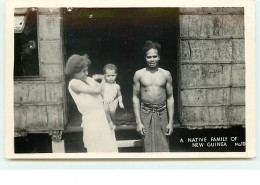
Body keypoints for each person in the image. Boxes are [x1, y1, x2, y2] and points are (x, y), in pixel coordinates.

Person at [65, 54, 118, 152]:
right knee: (97, 150)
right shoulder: (73, 83)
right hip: (92, 122)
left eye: (87, 70)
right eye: (83, 71)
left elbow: (104, 87)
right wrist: (103, 80)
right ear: (74, 72)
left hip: (103, 118)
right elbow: (98, 90)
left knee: (109, 149)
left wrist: (103, 79)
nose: (87, 73)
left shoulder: (88, 80)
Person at [132, 41, 174, 152]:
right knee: (147, 145)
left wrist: (170, 122)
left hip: (162, 112)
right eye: (149, 57)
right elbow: (135, 98)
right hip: (145, 112)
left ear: (159, 57)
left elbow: (170, 98)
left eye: (154, 56)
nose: (152, 59)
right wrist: (138, 122)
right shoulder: (139, 74)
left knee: (164, 145)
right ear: (145, 58)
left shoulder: (166, 74)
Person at [93, 64, 124, 129]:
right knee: (106, 110)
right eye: (108, 76)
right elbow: (94, 79)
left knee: (112, 111)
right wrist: (102, 78)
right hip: (105, 101)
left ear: (116, 75)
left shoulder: (117, 86)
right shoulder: (104, 84)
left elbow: (119, 95)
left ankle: (113, 121)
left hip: (113, 101)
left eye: (113, 75)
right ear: (105, 76)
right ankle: (109, 122)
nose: (110, 78)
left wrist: (120, 102)